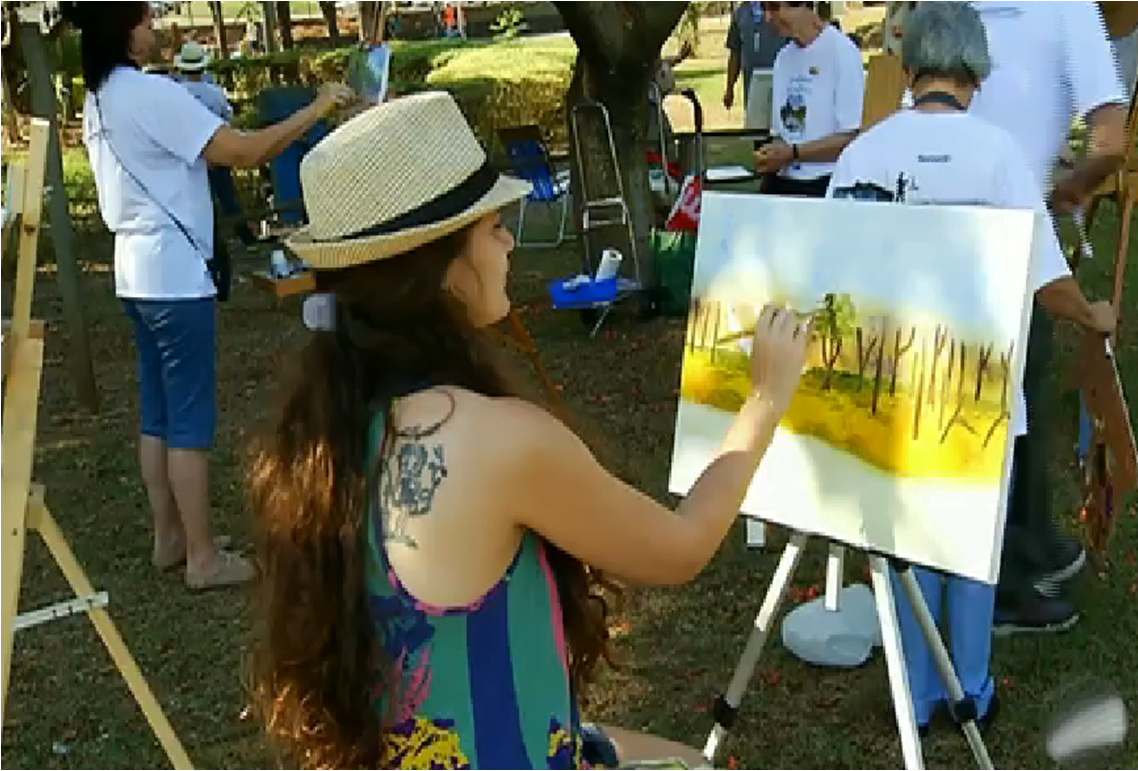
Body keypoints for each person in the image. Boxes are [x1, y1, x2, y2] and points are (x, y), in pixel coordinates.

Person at [245, 91, 811, 770]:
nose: (511, 241)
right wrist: (766, 398)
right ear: (439, 265)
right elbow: (682, 547)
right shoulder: (495, 441)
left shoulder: (322, 429)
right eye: (493, 227)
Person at [826, 0, 1117, 734]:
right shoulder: (997, 156)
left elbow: (825, 263)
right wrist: (1093, 315)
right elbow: (1046, 279)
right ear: (975, 74)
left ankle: (915, 692)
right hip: (977, 385)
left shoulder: (864, 153)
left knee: (910, 541)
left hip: (889, 381)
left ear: (911, 65)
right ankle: (970, 690)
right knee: (969, 546)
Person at [65, 0, 352, 591]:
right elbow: (244, 151)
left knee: (159, 412)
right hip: (173, 276)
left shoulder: (97, 99)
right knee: (189, 418)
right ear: (123, 29)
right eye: (145, 20)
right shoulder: (146, 94)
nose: (153, 29)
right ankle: (201, 557)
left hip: (135, 274)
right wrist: (316, 108)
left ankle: (169, 537)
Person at [958, 0, 1129, 634]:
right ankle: (1000, 585)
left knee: (1011, 390)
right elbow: (1111, 138)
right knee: (1001, 410)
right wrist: (1076, 182)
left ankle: (1026, 543)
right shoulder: (1070, 8)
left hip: (930, 224)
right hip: (1005, 230)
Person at [753, 0, 864, 198]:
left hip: (825, 184)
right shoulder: (783, 58)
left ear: (803, 6)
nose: (768, 17)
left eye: (775, 7)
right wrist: (770, 155)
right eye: (764, 9)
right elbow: (781, 132)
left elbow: (851, 138)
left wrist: (794, 153)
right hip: (782, 183)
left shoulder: (842, 52)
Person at [172, 40, 257, 246]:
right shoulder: (214, 93)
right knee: (227, 197)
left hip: (189, 155)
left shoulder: (175, 93)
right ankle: (246, 238)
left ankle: (206, 239)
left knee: (196, 200)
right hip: (217, 151)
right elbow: (226, 118)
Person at [724, 1, 787, 127]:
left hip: (782, 84)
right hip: (753, 87)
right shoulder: (741, 13)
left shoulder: (784, 9)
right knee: (757, 134)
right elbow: (735, 53)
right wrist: (729, 88)